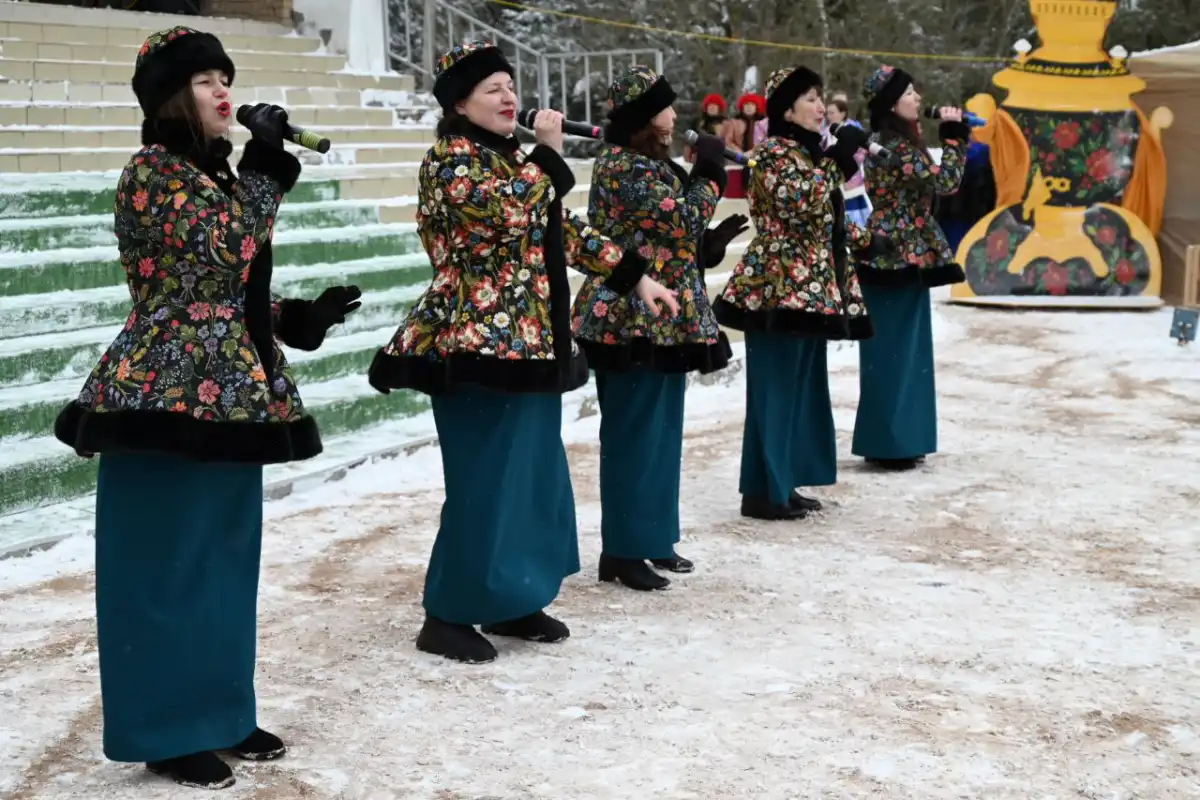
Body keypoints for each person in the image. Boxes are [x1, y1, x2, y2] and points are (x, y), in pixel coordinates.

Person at [52, 26, 361, 791]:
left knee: (225, 558)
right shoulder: (151, 173)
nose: (225, 91)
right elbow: (221, 251)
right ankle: (163, 726)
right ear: (168, 97)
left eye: (227, 76)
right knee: (163, 565)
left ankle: (220, 710)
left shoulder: (213, 176)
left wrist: (292, 318)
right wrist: (264, 165)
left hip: (229, 386)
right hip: (163, 389)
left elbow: (224, 280)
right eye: (204, 81)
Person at [366, 42, 677, 663]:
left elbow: (562, 228)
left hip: (531, 341)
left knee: (531, 478)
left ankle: (510, 596)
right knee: (486, 480)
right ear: (459, 103)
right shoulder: (449, 163)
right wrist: (550, 156)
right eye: (492, 90)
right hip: (472, 343)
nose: (510, 98)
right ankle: (448, 613)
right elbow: (513, 214)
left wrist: (635, 277)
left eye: (511, 86)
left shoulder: (513, 163)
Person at [571, 65, 747, 591]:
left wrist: (708, 246)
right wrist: (711, 176)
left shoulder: (650, 163)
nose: (676, 115)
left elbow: (677, 233)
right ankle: (622, 551)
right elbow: (680, 218)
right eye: (667, 107)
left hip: (667, 315)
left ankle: (653, 538)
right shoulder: (622, 165)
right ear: (646, 117)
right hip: (627, 318)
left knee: (663, 432)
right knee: (633, 434)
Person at [713, 66, 881, 521]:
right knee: (775, 389)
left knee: (802, 389)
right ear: (786, 109)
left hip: (810, 288)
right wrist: (837, 161)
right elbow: (800, 200)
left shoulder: (810, 155)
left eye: (820, 96)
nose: (820, 105)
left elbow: (825, 219)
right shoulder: (771, 154)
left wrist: (865, 242)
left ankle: (784, 480)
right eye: (809, 97)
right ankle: (763, 490)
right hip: (776, 287)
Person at [852, 65, 970, 471]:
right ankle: (890, 440)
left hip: (902, 253)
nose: (918, 99)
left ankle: (901, 437)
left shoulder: (897, 143)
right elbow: (946, 182)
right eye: (909, 93)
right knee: (894, 351)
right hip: (893, 254)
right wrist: (954, 136)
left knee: (906, 350)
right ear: (890, 103)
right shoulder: (892, 147)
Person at [824, 96, 873, 228]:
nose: (829, 116)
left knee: (854, 208)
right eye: (827, 113)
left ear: (843, 113)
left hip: (851, 175)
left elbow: (863, 149)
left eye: (832, 113)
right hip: (834, 176)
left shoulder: (853, 127)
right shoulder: (826, 131)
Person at [684, 91, 728, 163]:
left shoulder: (726, 123)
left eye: (714, 106)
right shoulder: (698, 123)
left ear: (719, 108)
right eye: (710, 105)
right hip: (700, 160)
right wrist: (688, 157)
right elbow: (689, 142)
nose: (712, 108)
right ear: (706, 107)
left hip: (720, 160)